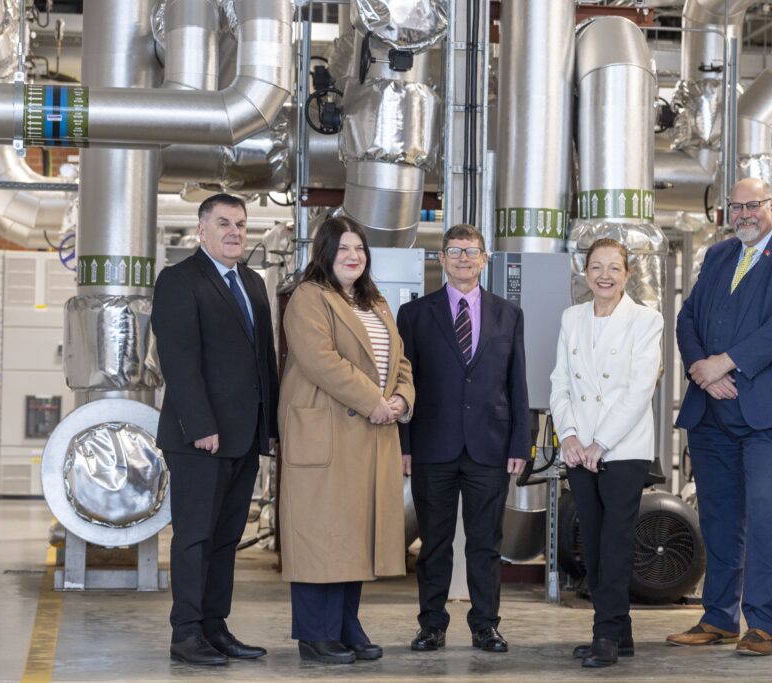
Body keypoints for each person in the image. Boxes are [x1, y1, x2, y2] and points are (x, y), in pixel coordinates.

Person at [668, 178, 772, 656]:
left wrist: (725, 363)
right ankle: (718, 618)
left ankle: (762, 625)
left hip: (771, 412)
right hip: (712, 408)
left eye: (753, 205)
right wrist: (702, 369)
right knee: (718, 516)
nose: (744, 214)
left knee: (767, 514)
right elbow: (687, 319)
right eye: (736, 207)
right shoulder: (718, 255)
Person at [278, 216, 415, 665]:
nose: (353, 256)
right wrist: (373, 399)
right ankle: (315, 634)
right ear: (325, 253)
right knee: (320, 534)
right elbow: (321, 361)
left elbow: (400, 361)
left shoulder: (375, 302)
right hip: (328, 432)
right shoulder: (309, 297)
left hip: (370, 434)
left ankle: (345, 625)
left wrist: (401, 399)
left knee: (354, 535)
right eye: (343, 249)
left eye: (359, 248)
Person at [152, 193, 279, 666]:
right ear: (202, 230)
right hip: (200, 439)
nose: (234, 232)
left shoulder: (252, 282)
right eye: (224, 223)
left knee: (226, 538)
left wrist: (270, 424)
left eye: (241, 224)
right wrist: (201, 425)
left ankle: (214, 627)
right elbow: (178, 360)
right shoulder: (179, 280)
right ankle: (186, 633)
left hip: (244, 436)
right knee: (194, 537)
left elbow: (264, 360)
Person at [397, 223, 530, 654]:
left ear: (485, 259)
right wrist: (404, 445)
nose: (463, 259)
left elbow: (517, 383)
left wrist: (520, 444)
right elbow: (404, 383)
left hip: (490, 446)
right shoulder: (415, 315)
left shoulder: (508, 314)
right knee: (434, 544)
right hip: (431, 446)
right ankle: (431, 625)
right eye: (454, 251)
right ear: (441, 259)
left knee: (485, 544)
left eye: (471, 251)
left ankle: (485, 626)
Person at [548, 238, 664, 669]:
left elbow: (639, 390)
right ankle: (620, 632)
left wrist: (601, 442)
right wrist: (569, 436)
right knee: (593, 543)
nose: (605, 276)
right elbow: (560, 382)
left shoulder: (646, 320)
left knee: (615, 541)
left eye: (614, 268)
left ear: (628, 274)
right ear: (585, 272)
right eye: (597, 267)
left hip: (624, 448)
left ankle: (605, 634)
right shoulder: (572, 317)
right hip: (580, 450)